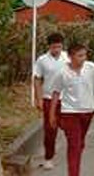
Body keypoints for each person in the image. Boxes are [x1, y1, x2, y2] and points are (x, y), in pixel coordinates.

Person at [49, 43, 94, 176]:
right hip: (70, 113)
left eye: (85, 55)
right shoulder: (61, 72)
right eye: (80, 55)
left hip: (88, 111)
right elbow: (55, 93)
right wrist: (51, 114)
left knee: (80, 142)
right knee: (74, 145)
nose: (83, 58)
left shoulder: (91, 67)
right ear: (70, 57)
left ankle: (77, 153)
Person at [33, 33, 69, 170]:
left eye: (59, 47)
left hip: (67, 99)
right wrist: (38, 98)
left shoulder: (68, 58)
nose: (57, 50)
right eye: (54, 47)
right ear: (49, 46)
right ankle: (49, 157)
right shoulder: (42, 60)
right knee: (50, 130)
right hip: (49, 99)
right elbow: (37, 79)